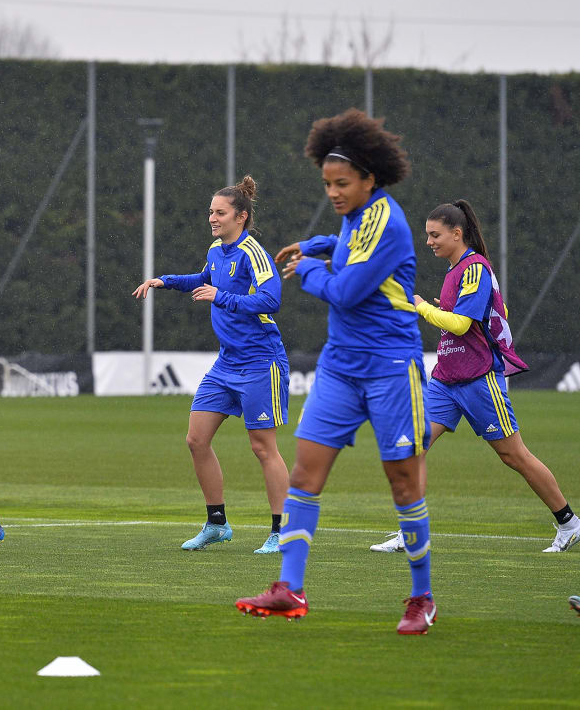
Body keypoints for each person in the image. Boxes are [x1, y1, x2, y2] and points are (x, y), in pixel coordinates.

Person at [234, 109, 437, 635]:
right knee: (304, 474)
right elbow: (345, 239)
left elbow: (345, 291)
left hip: (392, 369)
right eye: (326, 183)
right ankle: (289, 590)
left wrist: (308, 269)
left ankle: (421, 597)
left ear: (370, 178)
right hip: (341, 367)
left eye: (342, 183)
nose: (333, 192)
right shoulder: (355, 215)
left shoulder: (388, 221)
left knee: (403, 483)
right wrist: (319, 244)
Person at [365, 200, 578, 554]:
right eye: (427, 235)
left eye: (435, 235)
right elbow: (495, 310)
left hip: (478, 378)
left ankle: (569, 523)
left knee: (515, 456)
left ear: (456, 233)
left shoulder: (474, 268)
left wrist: (424, 307)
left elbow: (463, 324)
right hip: (446, 379)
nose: (429, 241)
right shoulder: (455, 272)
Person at [133, 176, 290, 554]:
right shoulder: (216, 251)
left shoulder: (253, 253)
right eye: (210, 212)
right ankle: (217, 524)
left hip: (260, 361)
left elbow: (271, 300)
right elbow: (204, 279)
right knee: (196, 439)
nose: (212, 218)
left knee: (262, 447)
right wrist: (165, 281)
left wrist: (223, 297)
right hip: (227, 363)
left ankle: (283, 531)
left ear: (241, 216)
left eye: (220, 213)